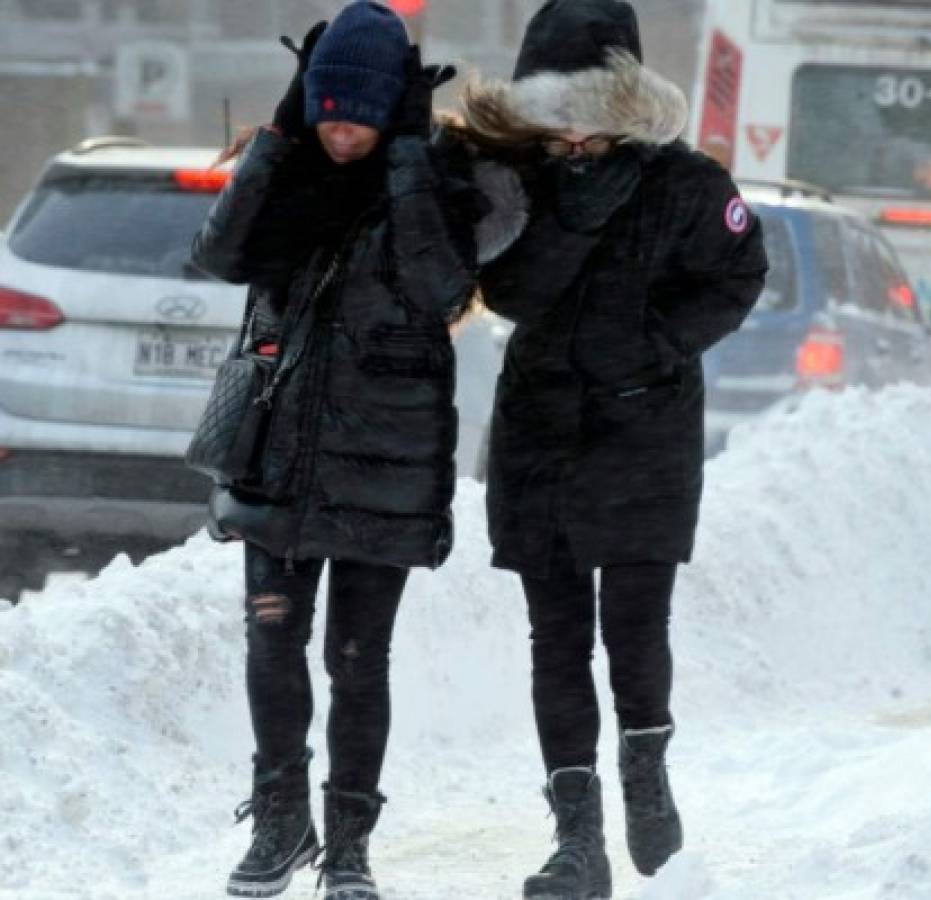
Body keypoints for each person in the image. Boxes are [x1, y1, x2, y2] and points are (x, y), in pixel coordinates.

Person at [190, 4, 516, 898]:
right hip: (277, 451)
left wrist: (408, 157)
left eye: (359, 114)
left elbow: (440, 288)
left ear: (390, 113)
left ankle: (349, 849)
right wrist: (280, 133)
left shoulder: (437, 181)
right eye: (328, 109)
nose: (342, 130)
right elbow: (218, 256)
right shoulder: (287, 170)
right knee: (271, 644)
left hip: (387, 462)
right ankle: (279, 825)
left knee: (356, 662)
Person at [458, 1, 769, 897]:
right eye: (550, 124)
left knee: (634, 628)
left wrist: (655, 345)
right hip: (540, 435)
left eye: (581, 120)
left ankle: (645, 770)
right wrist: (572, 218)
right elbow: (507, 290)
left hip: (644, 429)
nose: (568, 142)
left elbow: (738, 274)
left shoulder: (686, 183)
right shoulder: (517, 186)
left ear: (622, 104)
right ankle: (576, 840)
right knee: (554, 639)